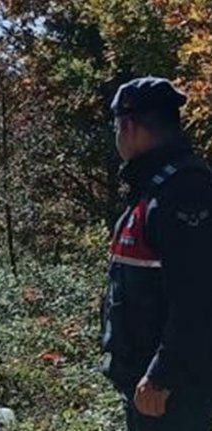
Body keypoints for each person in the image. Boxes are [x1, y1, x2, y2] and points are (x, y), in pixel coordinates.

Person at [102, 76, 212, 430]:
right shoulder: (150, 187)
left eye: (116, 126)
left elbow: (198, 295)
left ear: (129, 126)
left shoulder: (184, 190)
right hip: (146, 388)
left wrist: (163, 373)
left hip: (172, 392)